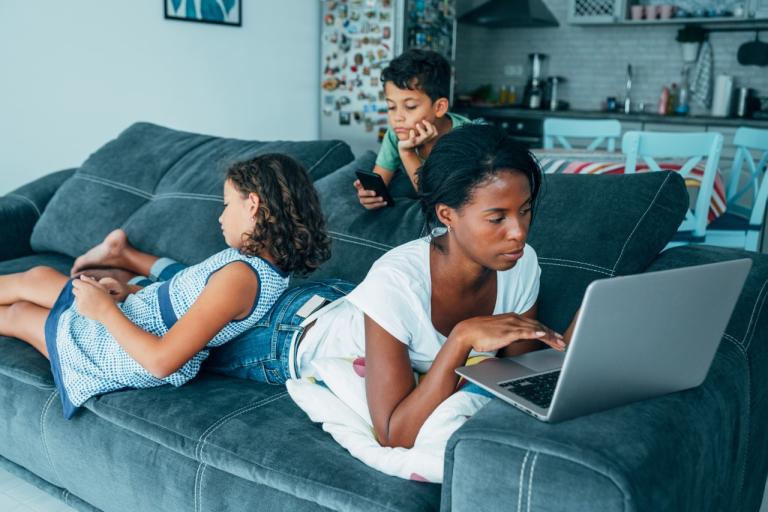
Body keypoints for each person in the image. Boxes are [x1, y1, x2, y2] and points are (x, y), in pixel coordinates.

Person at [0, 153, 330, 419]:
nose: (220, 216)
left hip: (129, 350)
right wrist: (128, 291)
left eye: (227, 204)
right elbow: (182, 300)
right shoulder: (255, 265)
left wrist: (103, 311)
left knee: (19, 314)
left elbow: (161, 361)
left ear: (253, 205)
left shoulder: (241, 278)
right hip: (135, 316)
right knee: (39, 277)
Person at [354, 48, 472, 210]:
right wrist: (369, 197)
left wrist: (407, 152)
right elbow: (380, 180)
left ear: (439, 107)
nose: (397, 117)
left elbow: (437, 203)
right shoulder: (397, 132)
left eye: (410, 107)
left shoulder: (466, 137)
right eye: (391, 107)